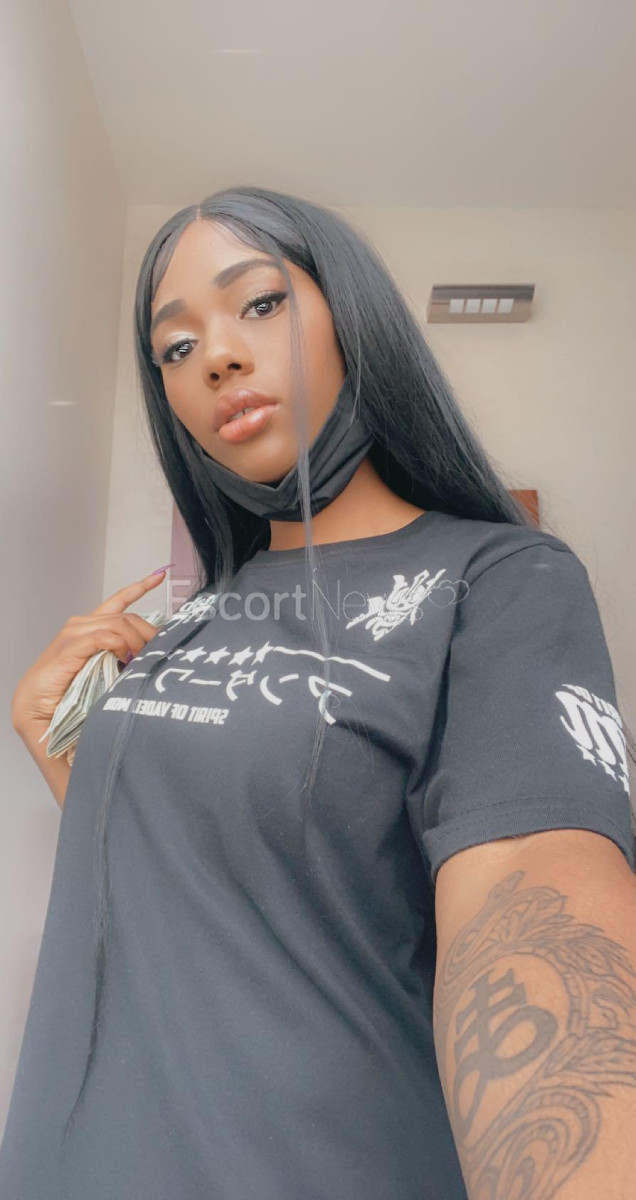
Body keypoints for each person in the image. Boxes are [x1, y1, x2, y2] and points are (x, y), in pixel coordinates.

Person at [3, 185, 636, 1200]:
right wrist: (58, 744)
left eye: (259, 302)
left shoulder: (498, 577)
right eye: (175, 347)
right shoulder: (207, 610)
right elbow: (205, 881)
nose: (214, 357)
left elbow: (534, 890)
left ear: (353, 315)